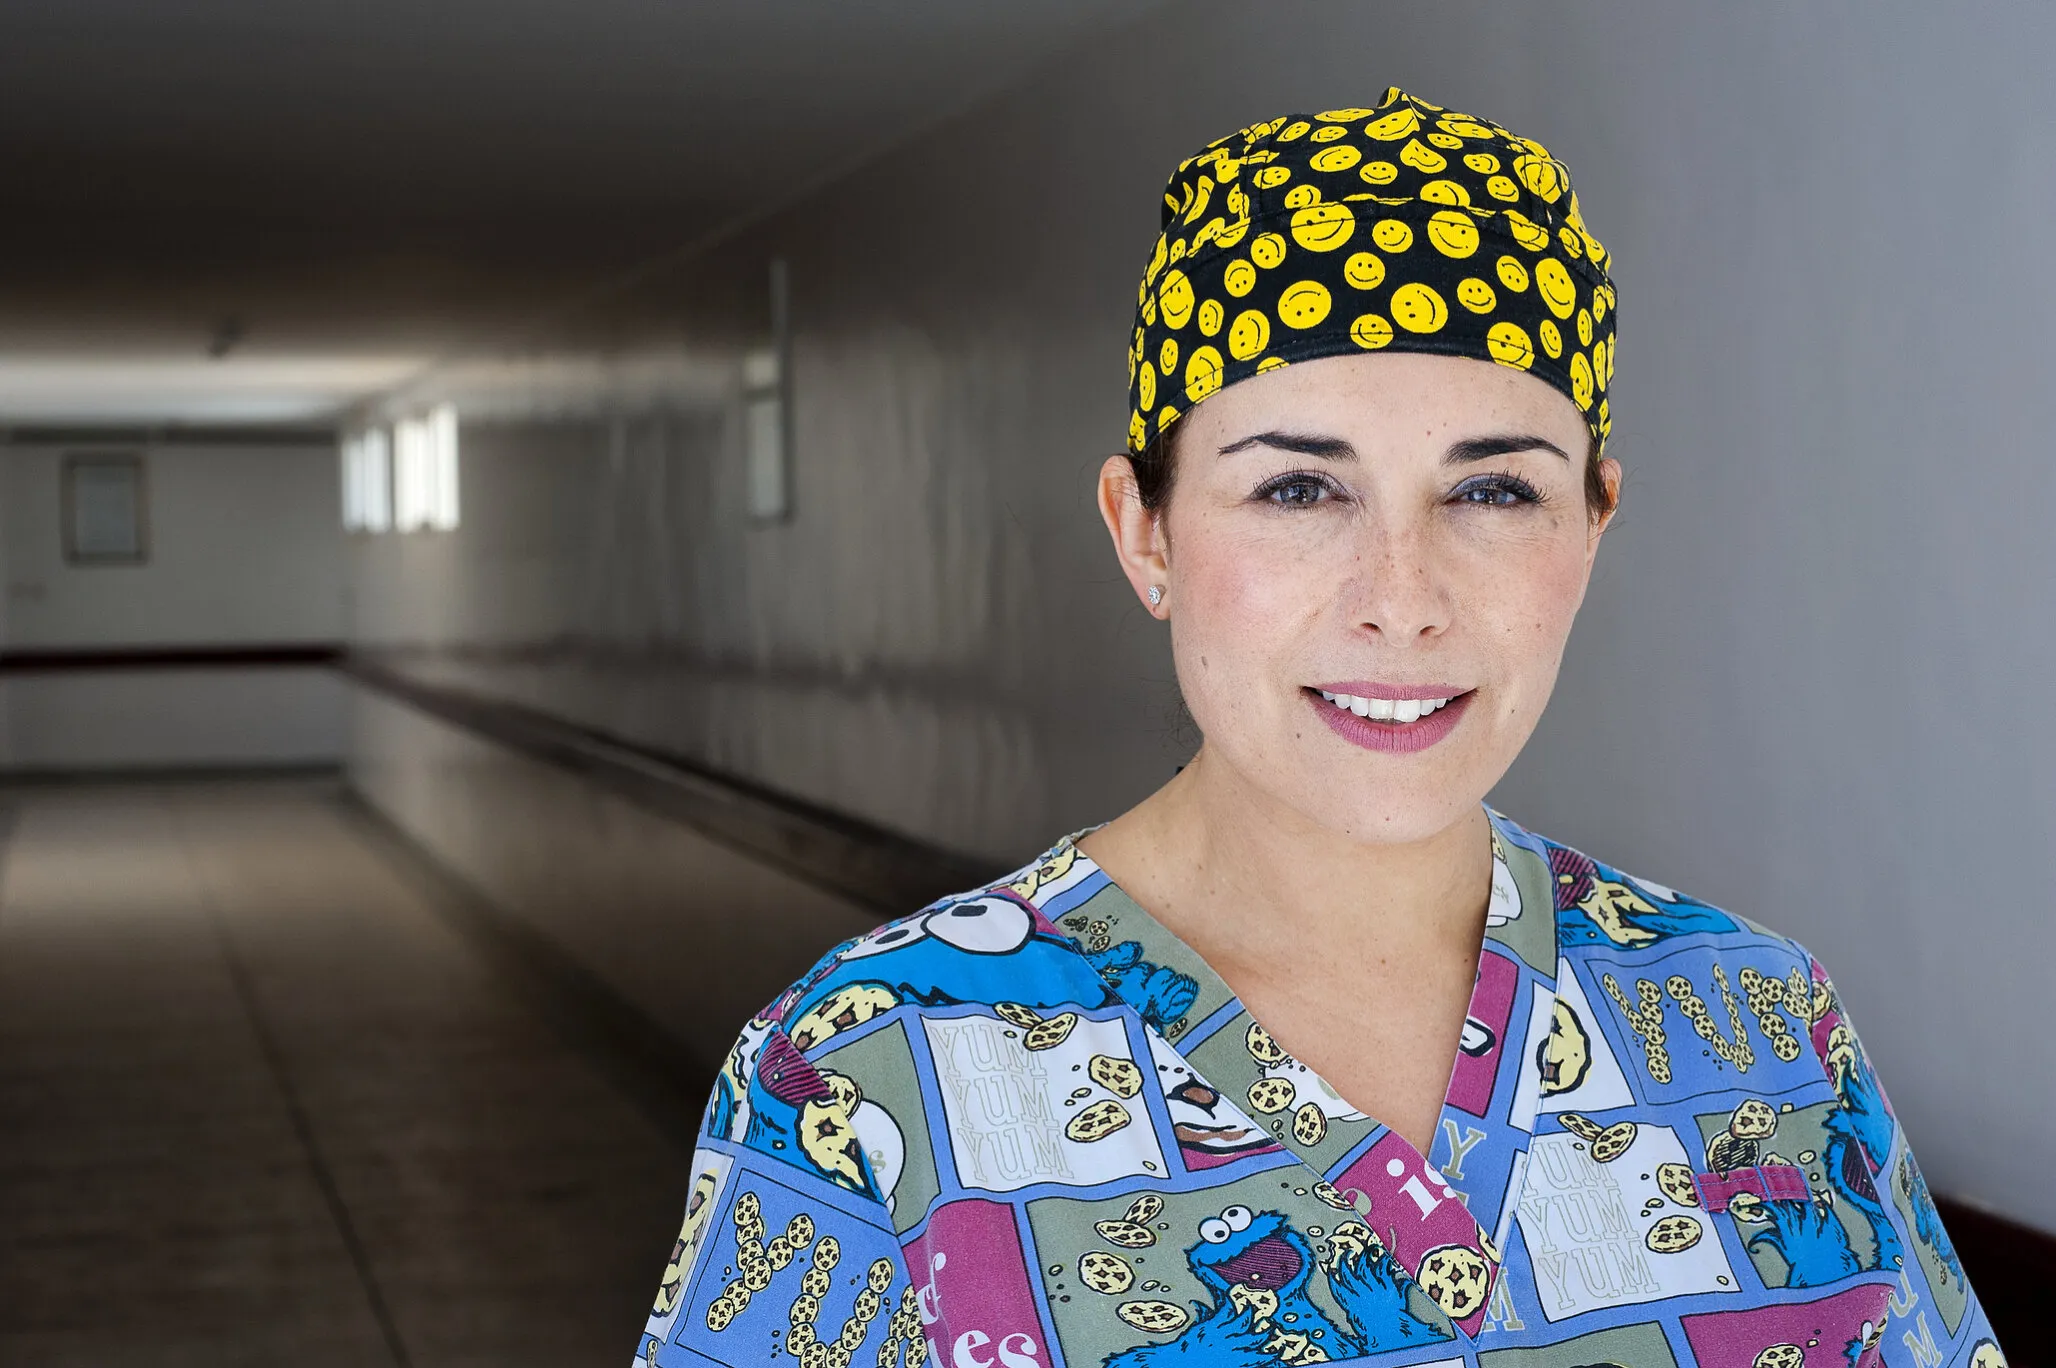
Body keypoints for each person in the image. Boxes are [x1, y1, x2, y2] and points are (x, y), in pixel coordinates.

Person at [634, 87, 2003, 1368]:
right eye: (1297, 490)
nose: (1401, 602)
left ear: (1593, 523)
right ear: (1145, 531)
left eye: (1497, 494)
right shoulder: (868, 1084)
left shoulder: (1763, 1026)